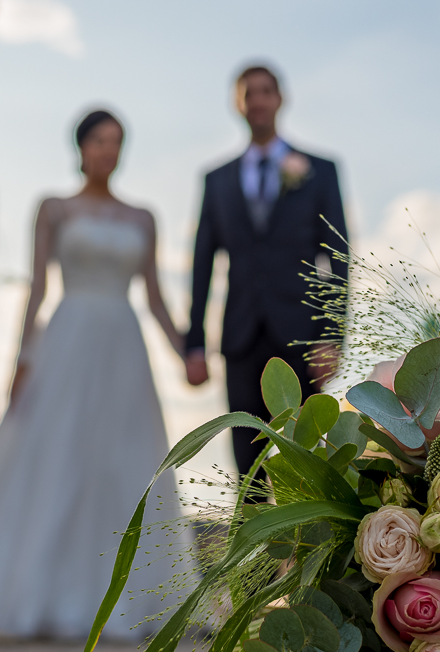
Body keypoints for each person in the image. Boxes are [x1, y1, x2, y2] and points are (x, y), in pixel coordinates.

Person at [0, 110, 184, 642]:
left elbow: (154, 296)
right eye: (101, 140)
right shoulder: (54, 209)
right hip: (68, 338)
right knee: (55, 456)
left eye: (118, 142)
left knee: (125, 460)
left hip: (123, 345)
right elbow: (36, 289)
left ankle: (129, 598)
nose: (110, 150)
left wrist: (185, 353)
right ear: (81, 146)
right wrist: (23, 359)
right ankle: (37, 592)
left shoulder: (143, 217)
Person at [184, 64, 349, 478]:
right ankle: (254, 543)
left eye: (265, 91)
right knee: (248, 465)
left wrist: (331, 337)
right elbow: (202, 264)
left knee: (308, 459)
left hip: (302, 335)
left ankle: (311, 546)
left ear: (280, 99)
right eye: (248, 93)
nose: (257, 100)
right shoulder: (216, 180)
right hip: (240, 339)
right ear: (237, 104)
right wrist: (194, 343)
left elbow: (339, 258)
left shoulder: (320, 171)